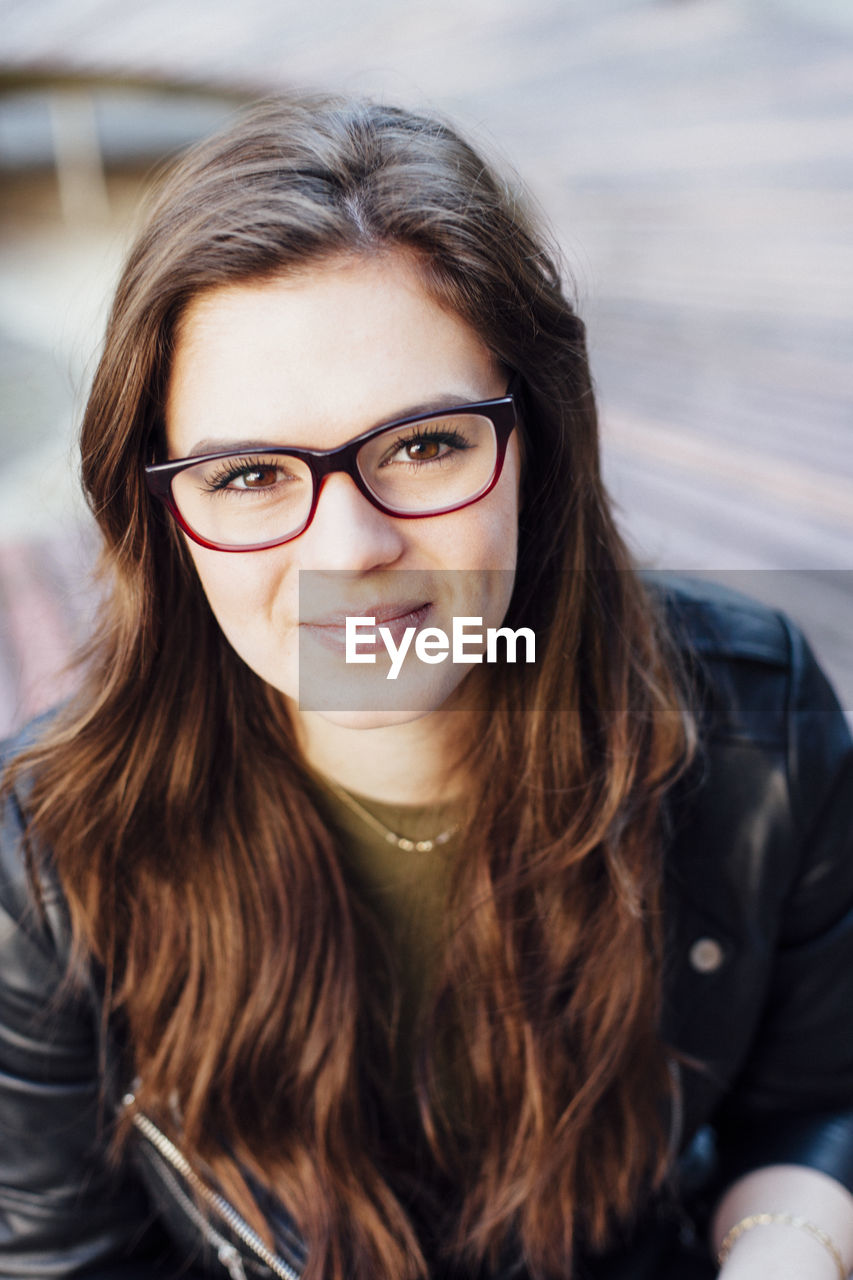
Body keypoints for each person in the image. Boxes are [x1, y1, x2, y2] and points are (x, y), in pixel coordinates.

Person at [1, 94, 852, 1280]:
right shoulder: (50, 860)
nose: (349, 548)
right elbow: (67, 1258)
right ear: (162, 516)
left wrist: (785, 1246)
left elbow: (817, 1094)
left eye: (424, 445)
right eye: (248, 473)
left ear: (536, 447)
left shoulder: (755, 726)